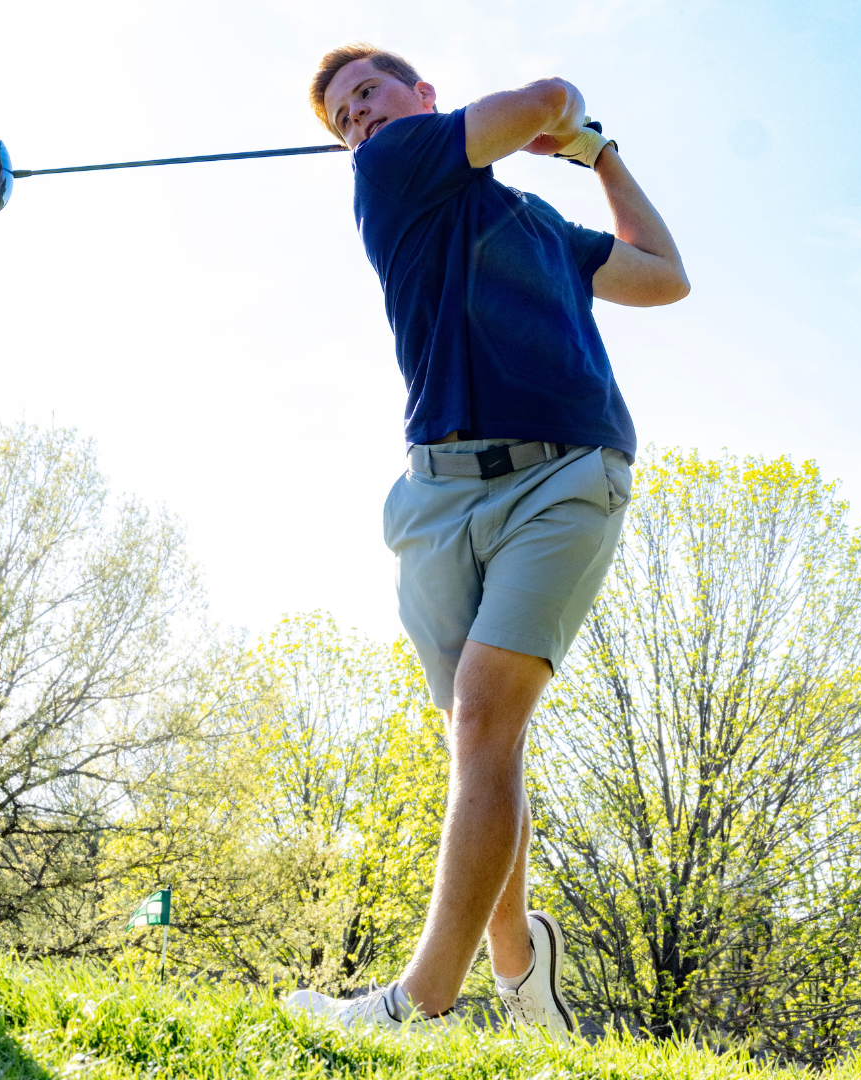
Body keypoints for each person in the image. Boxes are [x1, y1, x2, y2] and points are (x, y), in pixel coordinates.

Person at [287, 43, 689, 1037]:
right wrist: (559, 124)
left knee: (483, 726)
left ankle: (418, 1003)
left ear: (424, 92)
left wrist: (597, 154)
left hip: (566, 476)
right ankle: (520, 967)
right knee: (480, 746)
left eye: (369, 96)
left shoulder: (540, 227)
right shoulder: (395, 170)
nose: (360, 122)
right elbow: (546, 98)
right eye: (344, 118)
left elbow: (663, 276)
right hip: (434, 498)